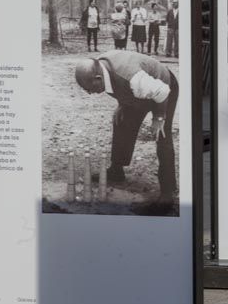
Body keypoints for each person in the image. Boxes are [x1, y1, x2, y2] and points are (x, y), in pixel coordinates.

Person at [74, 50, 178, 209]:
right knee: (121, 121)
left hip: (163, 88)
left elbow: (161, 92)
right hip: (140, 91)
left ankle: (167, 194)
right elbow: (116, 85)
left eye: (89, 89)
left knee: (162, 135)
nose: (89, 93)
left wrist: (159, 118)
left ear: (98, 78)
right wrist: (122, 104)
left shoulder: (130, 77)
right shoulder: (102, 67)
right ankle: (116, 170)